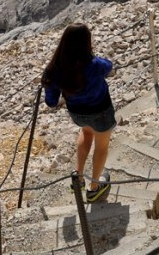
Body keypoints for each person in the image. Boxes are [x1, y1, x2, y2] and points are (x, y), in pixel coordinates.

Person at [42, 24, 116, 202]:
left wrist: (64, 99)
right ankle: (94, 188)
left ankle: (79, 177)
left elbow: (51, 102)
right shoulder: (94, 64)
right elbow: (109, 66)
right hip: (101, 112)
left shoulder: (53, 70)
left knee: (86, 131)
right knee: (101, 147)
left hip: (77, 114)